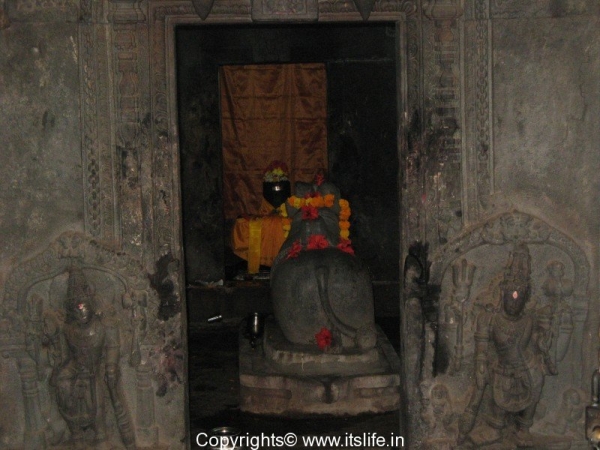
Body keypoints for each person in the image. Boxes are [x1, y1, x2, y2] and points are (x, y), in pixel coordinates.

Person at [458, 243, 556, 447]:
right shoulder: (490, 319)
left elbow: (536, 341)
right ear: (502, 294)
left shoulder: (529, 319)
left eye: (519, 297)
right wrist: (481, 366)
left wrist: (543, 343)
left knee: (537, 379)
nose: (514, 302)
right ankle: (495, 427)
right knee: (498, 389)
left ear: (526, 298)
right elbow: (481, 349)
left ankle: (524, 428)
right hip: (502, 366)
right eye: (510, 296)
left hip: (527, 366)